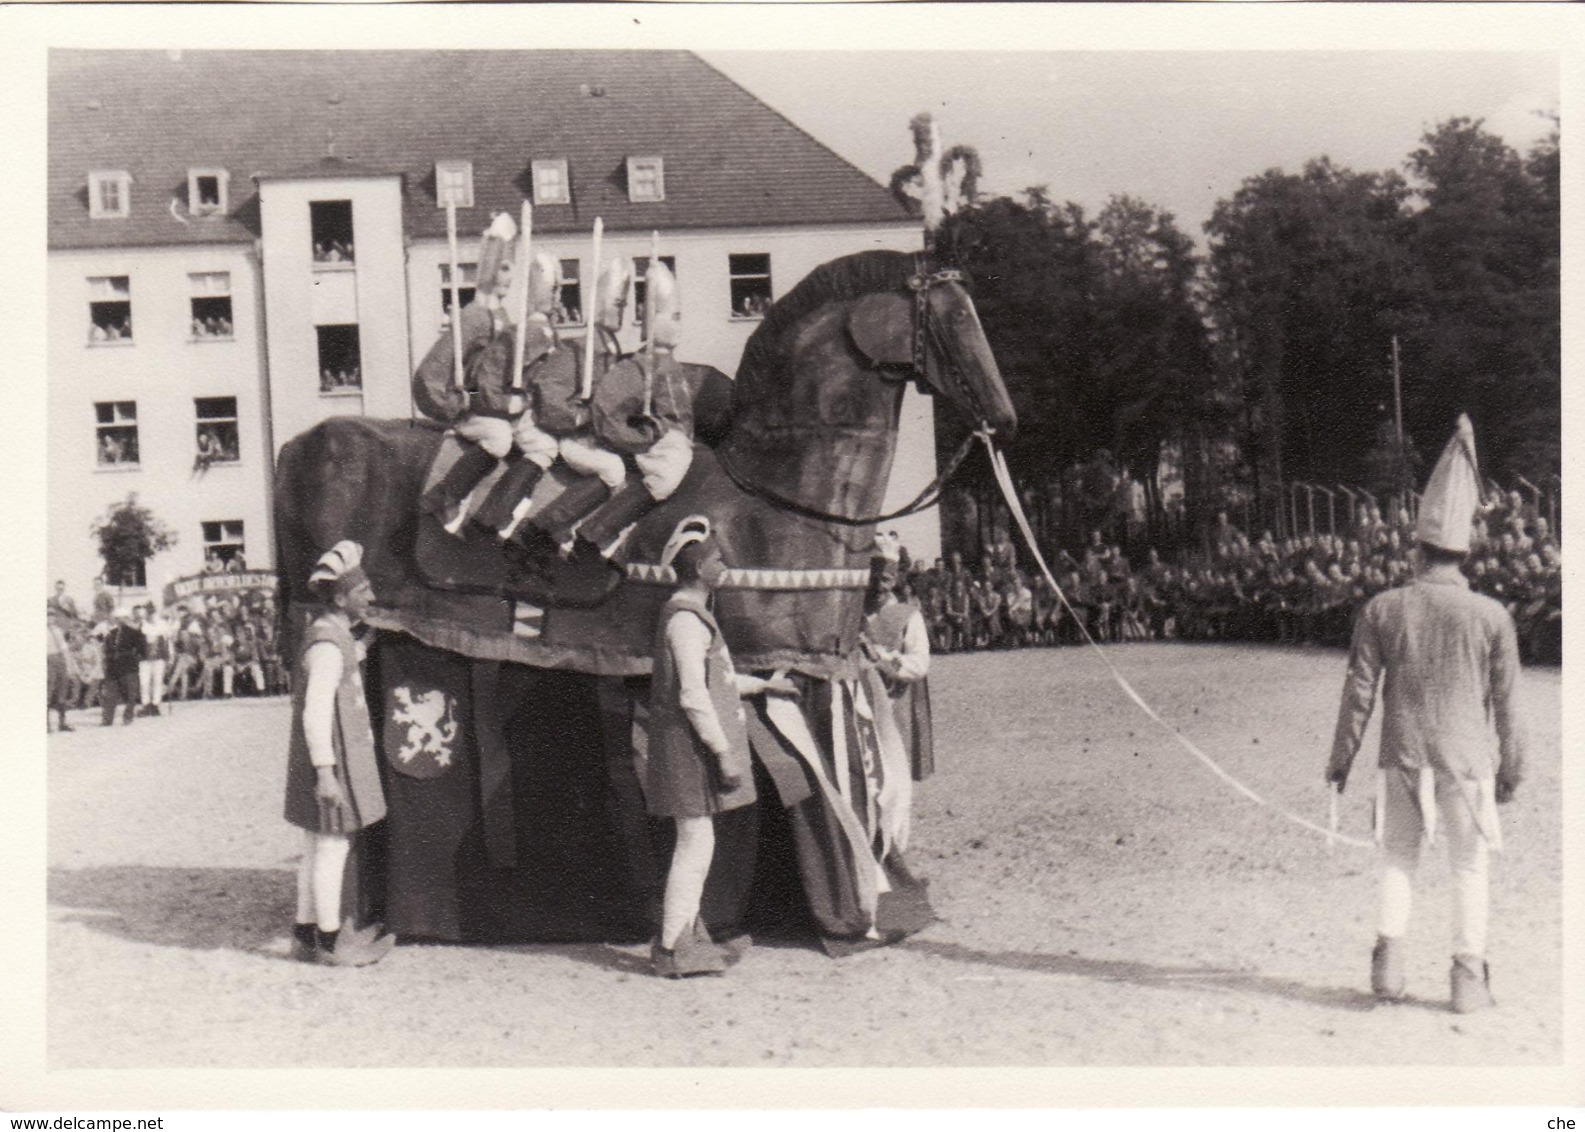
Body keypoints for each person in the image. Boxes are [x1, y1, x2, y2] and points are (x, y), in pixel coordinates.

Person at [1326, 416, 1527, 1014]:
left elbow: (1358, 692)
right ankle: (1468, 981)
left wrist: (1340, 760)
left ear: (1416, 547)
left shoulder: (1383, 608)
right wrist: (1512, 768)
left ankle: (1388, 971)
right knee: (1468, 870)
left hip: (1403, 755)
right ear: (1463, 549)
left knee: (1398, 860)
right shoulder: (1493, 616)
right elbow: (1510, 705)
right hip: (1467, 760)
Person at [645, 516, 793, 977]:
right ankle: (672, 947)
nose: (723, 563)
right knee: (694, 843)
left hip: (692, 747)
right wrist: (724, 751)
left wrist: (766, 686)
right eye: (715, 558)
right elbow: (693, 694)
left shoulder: (694, 616)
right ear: (695, 567)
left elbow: (720, 680)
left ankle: (682, 938)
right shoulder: (686, 621)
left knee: (697, 843)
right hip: (688, 749)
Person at [284, 541, 393, 967]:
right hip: (330, 763)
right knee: (332, 848)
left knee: (315, 846)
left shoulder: (333, 636)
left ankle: (304, 933)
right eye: (362, 590)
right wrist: (326, 773)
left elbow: (348, 659)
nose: (370, 596)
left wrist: (367, 639)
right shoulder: (327, 645)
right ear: (340, 597)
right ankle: (331, 944)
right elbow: (315, 713)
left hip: (327, 761)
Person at [861, 538, 935, 783]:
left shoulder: (908, 617)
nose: (878, 586)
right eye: (873, 578)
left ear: (894, 580)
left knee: (895, 778)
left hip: (894, 707)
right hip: (860, 712)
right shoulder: (853, 616)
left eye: (885, 580)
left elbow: (920, 663)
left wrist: (885, 661)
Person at [99, 610, 146, 726]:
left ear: (127, 619)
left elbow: (142, 651)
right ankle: (107, 719)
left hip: (129, 667)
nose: (120, 621)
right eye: (118, 618)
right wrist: (107, 663)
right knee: (111, 694)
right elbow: (106, 650)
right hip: (113, 667)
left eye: (123, 618)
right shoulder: (111, 633)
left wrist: (134, 659)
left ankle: (128, 717)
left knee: (131, 694)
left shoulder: (136, 633)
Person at [138, 603, 169, 717]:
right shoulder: (141, 625)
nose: (150, 614)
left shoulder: (162, 625)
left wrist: (168, 656)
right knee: (144, 682)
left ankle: (155, 705)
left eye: (152, 612)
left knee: (157, 681)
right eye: (148, 612)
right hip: (144, 658)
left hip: (159, 656)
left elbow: (166, 642)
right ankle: (146, 705)